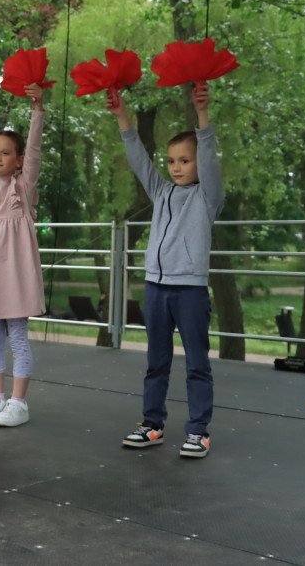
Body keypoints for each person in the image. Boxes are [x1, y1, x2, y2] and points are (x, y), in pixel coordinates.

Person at [108, 82, 222, 458]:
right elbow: (139, 158)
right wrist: (123, 116)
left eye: (185, 161)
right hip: (156, 288)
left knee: (196, 363)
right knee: (156, 362)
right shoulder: (161, 191)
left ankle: (198, 432)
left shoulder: (208, 197)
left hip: (189, 290)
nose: (176, 167)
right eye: (172, 161)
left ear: (199, 164)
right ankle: (152, 424)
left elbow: (207, 150)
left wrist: (202, 114)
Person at [0, 84, 47, 428]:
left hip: (16, 274)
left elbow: (35, 151)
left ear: (18, 160)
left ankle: (18, 401)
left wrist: (37, 111)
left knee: (18, 336)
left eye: (5, 153)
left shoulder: (23, 187)